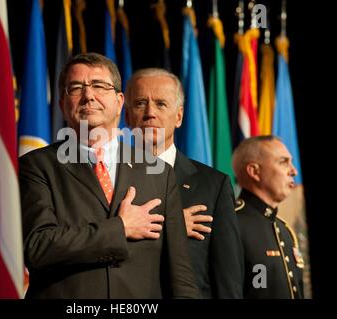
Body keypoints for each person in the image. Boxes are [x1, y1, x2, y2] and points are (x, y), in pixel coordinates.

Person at [19, 53, 199, 299]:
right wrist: (120, 228)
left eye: (99, 86)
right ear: (62, 104)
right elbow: (38, 247)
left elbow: (180, 275)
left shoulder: (158, 172)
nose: (88, 95)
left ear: (119, 101)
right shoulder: (36, 166)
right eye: (76, 88)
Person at [125, 68, 244, 298]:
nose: (150, 113)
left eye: (161, 104)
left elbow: (227, 277)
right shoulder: (106, 177)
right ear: (127, 116)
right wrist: (173, 225)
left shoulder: (213, 185)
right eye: (140, 103)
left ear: (178, 116)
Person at [232, 136, 304, 299]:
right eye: (283, 162)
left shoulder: (285, 230)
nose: (294, 171)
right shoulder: (232, 224)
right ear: (254, 171)